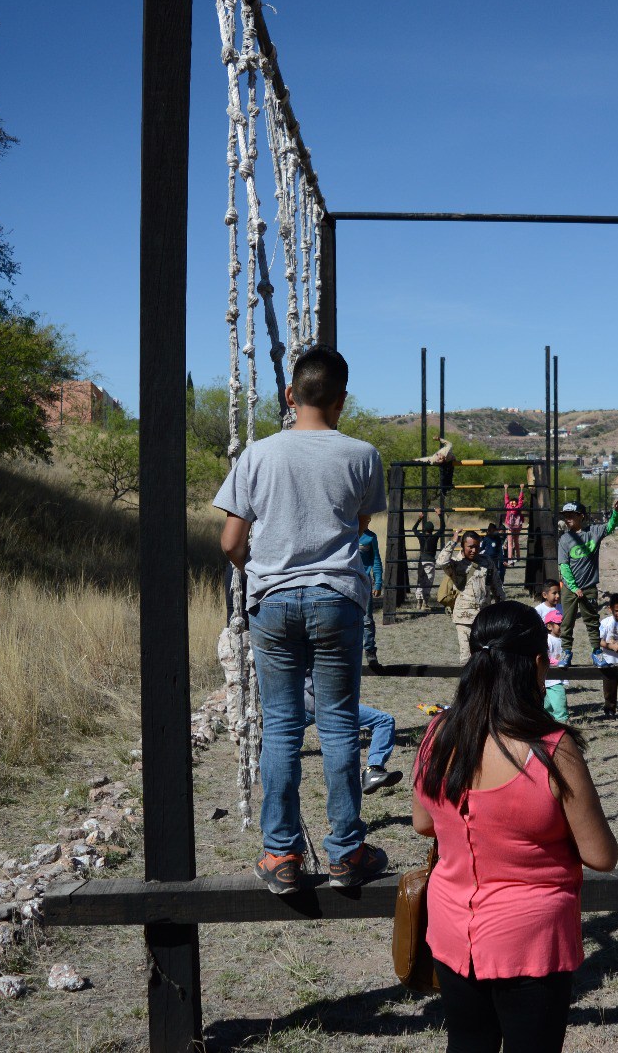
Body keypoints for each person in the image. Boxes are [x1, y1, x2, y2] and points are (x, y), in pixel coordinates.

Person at [216, 347, 389, 893]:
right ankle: (345, 854)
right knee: (339, 724)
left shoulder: (257, 455)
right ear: (341, 400)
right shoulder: (363, 454)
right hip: (338, 600)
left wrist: (264, 570)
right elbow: (359, 527)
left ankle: (281, 856)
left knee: (284, 727)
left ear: (290, 396)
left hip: (272, 602)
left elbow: (230, 541)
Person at [412, 602, 618, 1053]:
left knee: (467, 1044)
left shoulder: (437, 732)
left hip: (452, 928)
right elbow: (602, 855)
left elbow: (423, 822)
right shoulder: (552, 749)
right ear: (538, 664)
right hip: (532, 939)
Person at [301, 675, 402, 794]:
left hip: (305, 704)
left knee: (279, 736)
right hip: (333, 706)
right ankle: (374, 770)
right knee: (384, 721)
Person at [556, 500, 618, 668]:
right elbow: (563, 566)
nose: (568, 518)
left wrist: (616, 512)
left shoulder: (594, 532)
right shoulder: (564, 539)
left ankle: (597, 653)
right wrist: (573, 587)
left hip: (589, 588)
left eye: (571, 515)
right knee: (567, 622)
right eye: (565, 516)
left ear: (581, 516)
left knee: (592, 621)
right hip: (571, 589)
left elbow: (610, 526)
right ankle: (566, 652)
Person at [436, 530, 501, 663]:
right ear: (463, 546)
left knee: (485, 657)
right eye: (470, 546)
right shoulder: (455, 564)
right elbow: (441, 561)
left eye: (476, 546)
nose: (473, 550)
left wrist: (502, 606)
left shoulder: (487, 562)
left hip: (484, 618)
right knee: (466, 659)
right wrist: (453, 542)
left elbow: (497, 585)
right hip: (464, 619)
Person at [359, 524, 383, 666]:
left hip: (364, 581)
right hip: (346, 581)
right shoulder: (346, 533)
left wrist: (378, 582)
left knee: (367, 619)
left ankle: (370, 650)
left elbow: (376, 560)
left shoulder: (370, 537)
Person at [543, 609, 569, 722]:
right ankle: (563, 722)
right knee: (559, 702)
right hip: (551, 679)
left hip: (557, 678)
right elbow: (544, 657)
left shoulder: (560, 640)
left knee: (548, 705)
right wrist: (557, 662)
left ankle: (547, 721)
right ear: (549, 626)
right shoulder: (548, 640)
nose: (561, 627)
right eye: (559, 624)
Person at [502, 483, 525, 565]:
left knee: (510, 543)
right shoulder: (519, 507)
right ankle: (518, 557)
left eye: (513, 502)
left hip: (510, 527)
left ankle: (510, 558)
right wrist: (521, 489)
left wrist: (506, 489)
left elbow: (506, 499)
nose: (512, 503)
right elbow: (521, 499)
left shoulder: (508, 507)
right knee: (516, 542)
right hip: (518, 526)